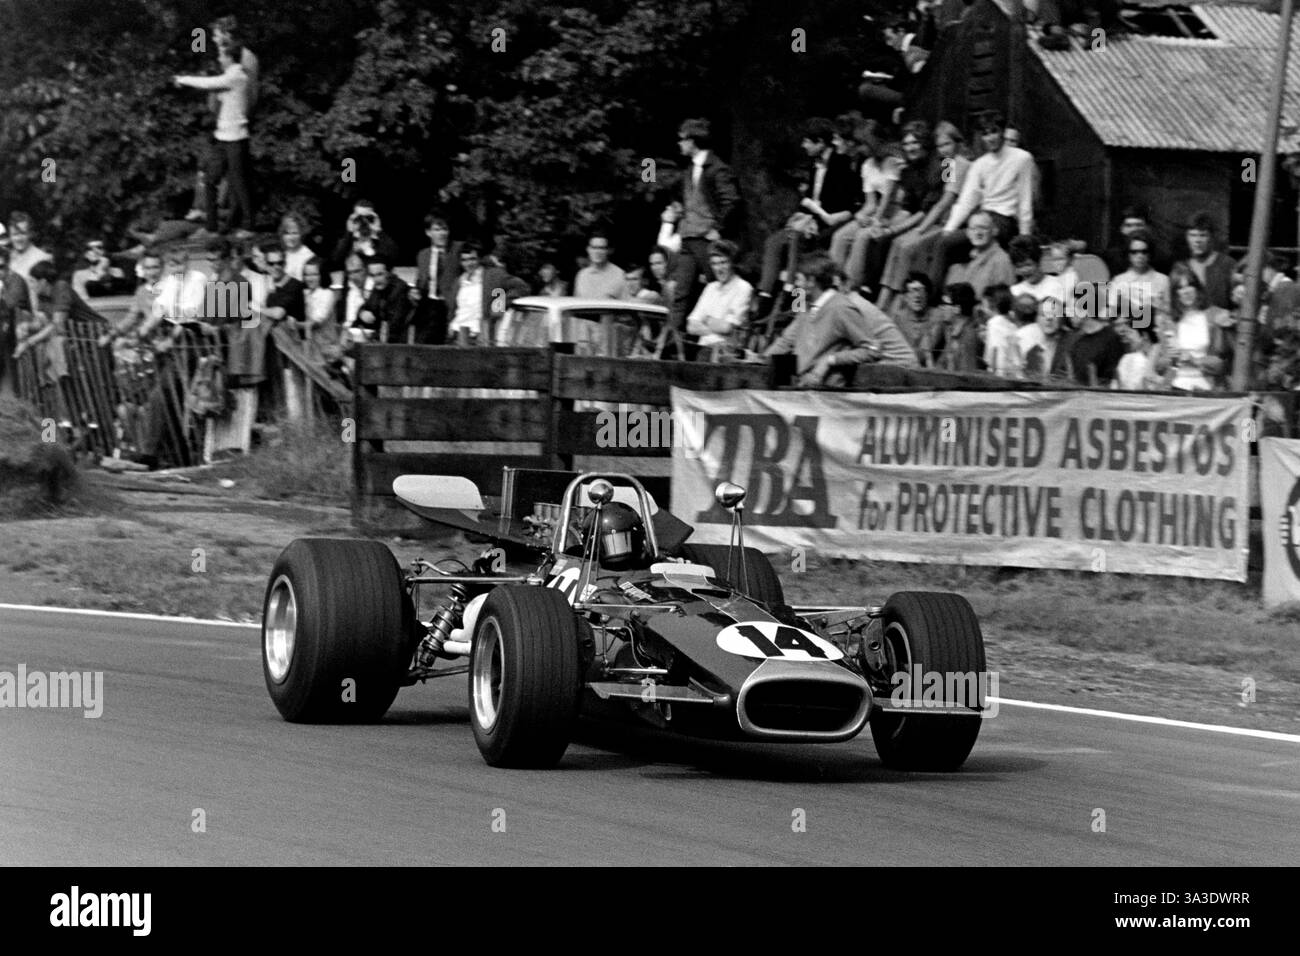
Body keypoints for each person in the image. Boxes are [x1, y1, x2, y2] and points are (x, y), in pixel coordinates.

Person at [756, 118, 860, 315]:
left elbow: (844, 205)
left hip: (828, 224)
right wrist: (801, 216)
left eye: (807, 141)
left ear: (820, 142)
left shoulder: (842, 165)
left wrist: (814, 219)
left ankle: (794, 297)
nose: (803, 146)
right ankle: (765, 298)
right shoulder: (814, 166)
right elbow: (810, 199)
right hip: (810, 221)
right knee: (774, 241)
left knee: (797, 241)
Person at [876, 120, 971, 309]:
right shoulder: (948, 163)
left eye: (947, 144)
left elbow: (945, 201)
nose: (943, 149)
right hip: (938, 220)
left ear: (957, 143)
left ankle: (897, 300)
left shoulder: (956, 164)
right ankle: (884, 296)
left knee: (907, 246)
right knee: (897, 243)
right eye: (940, 146)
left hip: (948, 223)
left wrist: (922, 228)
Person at [663, 118, 741, 337]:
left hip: (707, 239)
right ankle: (672, 343)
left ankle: (725, 338)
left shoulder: (717, 169)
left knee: (720, 287)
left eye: (682, 140)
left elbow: (732, 201)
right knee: (681, 293)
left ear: (693, 141)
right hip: (688, 237)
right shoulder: (689, 170)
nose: (679, 144)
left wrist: (719, 228)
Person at [764, 254, 885, 387]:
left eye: (798, 279)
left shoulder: (841, 308)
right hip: (798, 387)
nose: (795, 285)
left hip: (826, 393)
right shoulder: (804, 304)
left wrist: (831, 360)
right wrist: (760, 360)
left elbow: (873, 349)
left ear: (811, 281)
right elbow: (786, 341)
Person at [174, 43, 254, 237]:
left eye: (221, 56)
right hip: (222, 137)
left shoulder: (236, 76)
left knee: (238, 182)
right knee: (210, 179)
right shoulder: (229, 78)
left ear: (229, 58)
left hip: (236, 139)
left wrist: (182, 79)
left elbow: (209, 83)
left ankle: (248, 226)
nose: (219, 59)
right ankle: (211, 226)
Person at [1157, 267, 1232, 391]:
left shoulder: (1214, 316)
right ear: (1175, 293)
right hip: (1175, 385)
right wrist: (1169, 358)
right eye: (1180, 288)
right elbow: (1159, 368)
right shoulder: (1169, 322)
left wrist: (1195, 360)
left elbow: (1221, 364)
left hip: (1206, 387)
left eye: (1189, 286)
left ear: (1197, 288)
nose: (1186, 291)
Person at [837, 268, 921, 367]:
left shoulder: (850, 305)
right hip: (888, 364)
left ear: (846, 286)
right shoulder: (849, 302)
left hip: (899, 368)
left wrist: (830, 360)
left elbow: (872, 350)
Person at [685, 240, 753, 357]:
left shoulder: (744, 288)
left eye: (723, 262)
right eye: (714, 264)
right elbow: (691, 326)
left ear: (732, 263)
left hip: (726, 353)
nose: (719, 268)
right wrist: (714, 326)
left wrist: (706, 319)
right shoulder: (710, 288)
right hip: (702, 349)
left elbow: (727, 327)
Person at [943, 210, 1015, 300]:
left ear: (995, 231)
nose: (978, 233)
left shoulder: (1002, 261)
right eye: (973, 229)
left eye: (983, 228)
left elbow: (1004, 302)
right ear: (968, 233)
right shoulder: (957, 261)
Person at [411, 213, 460, 344]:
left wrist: (498, 304)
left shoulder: (458, 250)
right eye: (437, 230)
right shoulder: (423, 255)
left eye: (445, 229)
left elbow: (495, 281)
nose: (442, 234)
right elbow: (420, 281)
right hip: (429, 306)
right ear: (428, 232)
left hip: (451, 306)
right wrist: (415, 291)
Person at [1107, 230, 1169, 330]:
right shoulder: (1118, 281)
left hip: (1156, 336)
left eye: (1144, 252)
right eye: (1134, 252)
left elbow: (1171, 313)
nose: (1139, 256)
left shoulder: (1163, 280)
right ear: (1128, 254)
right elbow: (1111, 314)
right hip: (1127, 336)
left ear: (1150, 253)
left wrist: (1157, 307)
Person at [1066, 282, 1126, 385]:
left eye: (1072, 309)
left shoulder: (1111, 339)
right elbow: (1072, 379)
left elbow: (1115, 379)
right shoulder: (1075, 342)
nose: (1068, 313)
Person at [1174, 213, 1236, 311]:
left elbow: (1237, 303)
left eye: (1202, 235)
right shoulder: (1181, 267)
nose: (1197, 240)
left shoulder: (1227, 264)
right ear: (1187, 237)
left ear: (1211, 237)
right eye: (1193, 235)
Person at [331, 200, 401, 272]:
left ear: (375, 219)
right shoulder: (347, 239)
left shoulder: (382, 238)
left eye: (368, 218)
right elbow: (336, 259)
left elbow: (394, 256)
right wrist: (349, 232)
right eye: (359, 218)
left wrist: (379, 231)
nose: (364, 221)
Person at [357, 256, 413, 344]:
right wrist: (362, 313)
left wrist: (373, 337)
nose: (376, 279)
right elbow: (368, 306)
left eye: (380, 274)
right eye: (372, 275)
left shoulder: (400, 289)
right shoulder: (379, 287)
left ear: (390, 273)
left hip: (398, 344)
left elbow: (394, 325)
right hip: (382, 339)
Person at [6, 213, 53, 312]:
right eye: (15, 234)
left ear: (30, 233)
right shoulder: (7, 258)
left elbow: (45, 298)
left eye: (23, 233)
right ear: (10, 236)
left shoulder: (41, 258)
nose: (18, 239)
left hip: (30, 315)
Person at [930, 282, 981, 372]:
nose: (940, 307)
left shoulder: (968, 337)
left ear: (957, 309)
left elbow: (967, 378)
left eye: (944, 304)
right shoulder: (951, 331)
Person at [888, 271, 938, 362]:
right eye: (912, 291)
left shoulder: (936, 317)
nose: (917, 296)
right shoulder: (898, 318)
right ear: (905, 297)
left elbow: (923, 354)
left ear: (928, 294)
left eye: (921, 291)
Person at [1022, 296, 1074, 382]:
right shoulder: (1033, 352)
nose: (1048, 318)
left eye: (1054, 314)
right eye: (1043, 314)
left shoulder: (1074, 342)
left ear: (1063, 317)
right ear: (1037, 319)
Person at [981, 283, 1021, 377]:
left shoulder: (993, 324)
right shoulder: (1012, 323)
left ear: (991, 304)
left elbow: (996, 354)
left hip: (1000, 376)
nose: (982, 308)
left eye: (983, 304)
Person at [574, 233, 627, 299]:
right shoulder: (582, 275)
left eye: (602, 248)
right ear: (588, 249)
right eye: (594, 248)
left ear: (610, 250)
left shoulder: (620, 275)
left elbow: (626, 306)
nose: (597, 252)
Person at [278, 214, 315, 282]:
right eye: (287, 233)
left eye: (295, 233)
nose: (291, 237)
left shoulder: (308, 256)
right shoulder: (281, 253)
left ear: (302, 234)